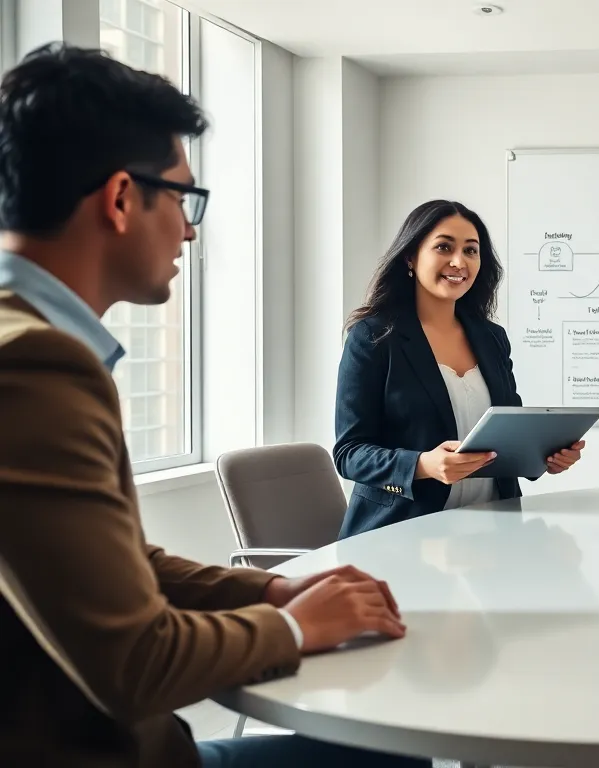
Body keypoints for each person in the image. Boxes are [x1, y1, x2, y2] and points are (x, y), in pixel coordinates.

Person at [0, 44, 424, 767]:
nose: (192, 231)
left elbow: (123, 562)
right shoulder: (36, 367)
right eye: (185, 199)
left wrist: (279, 586)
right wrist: (295, 628)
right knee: (391, 756)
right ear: (122, 198)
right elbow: (135, 663)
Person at [334, 200, 584, 538]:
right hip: (403, 535)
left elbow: (507, 429)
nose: (459, 262)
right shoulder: (374, 337)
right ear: (410, 256)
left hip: (494, 533)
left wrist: (544, 457)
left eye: (471, 250)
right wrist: (423, 465)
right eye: (443, 247)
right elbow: (349, 453)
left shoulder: (491, 337)